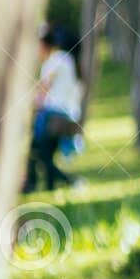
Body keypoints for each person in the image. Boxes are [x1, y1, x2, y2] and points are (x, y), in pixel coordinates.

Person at [23, 24, 84, 193]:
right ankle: (48, 186)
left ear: (43, 45)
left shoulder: (54, 60)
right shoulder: (65, 58)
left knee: (39, 153)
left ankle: (69, 182)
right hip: (66, 115)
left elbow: (43, 89)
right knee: (44, 154)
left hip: (55, 116)